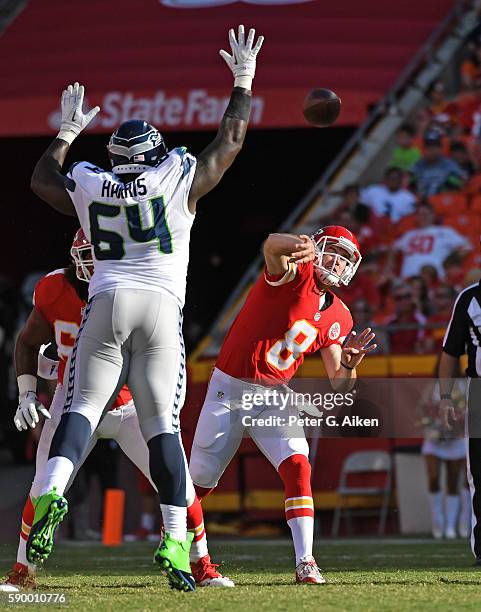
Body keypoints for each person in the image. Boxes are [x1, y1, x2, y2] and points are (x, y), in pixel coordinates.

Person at [25, 24, 263, 592]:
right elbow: (228, 143)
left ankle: (53, 494)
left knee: (80, 409)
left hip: (106, 303)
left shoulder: (90, 182)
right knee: (162, 430)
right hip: (160, 308)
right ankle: (177, 541)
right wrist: (243, 82)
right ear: (155, 154)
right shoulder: (174, 176)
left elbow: (41, 180)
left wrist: (65, 133)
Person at [0, 231, 233, 592]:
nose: (95, 267)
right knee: (41, 486)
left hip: (125, 404)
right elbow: (30, 342)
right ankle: (22, 571)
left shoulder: (127, 288)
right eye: (88, 259)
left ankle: (202, 565)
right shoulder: (55, 290)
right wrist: (28, 393)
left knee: (180, 488)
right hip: (81, 397)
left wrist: (39, 381)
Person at [188, 226, 376, 584]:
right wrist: (298, 243)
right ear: (317, 247)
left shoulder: (341, 316)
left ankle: (306, 561)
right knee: (198, 483)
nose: (336, 262)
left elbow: (340, 381)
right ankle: (188, 554)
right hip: (230, 388)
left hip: (274, 394)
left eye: (345, 258)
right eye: (332, 251)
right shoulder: (294, 272)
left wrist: (351, 366)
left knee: (298, 465)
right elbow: (271, 245)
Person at [387, 202, 472, 280]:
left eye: (425, 214)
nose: (423, 217)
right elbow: (393, 249)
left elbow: (467, 247)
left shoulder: (444, 231)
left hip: (434, 278)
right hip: (408, 279)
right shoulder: (408, 235)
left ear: (433, 215)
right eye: (419, 214)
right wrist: (389, 269)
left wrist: (449, 260)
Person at [410, 130, 467, 197]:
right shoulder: (417, 165)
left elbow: (462, 183)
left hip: (442, 203)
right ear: (424, 149)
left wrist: (449, 185)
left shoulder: (449, 164)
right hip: (421, 204)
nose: (432, 150)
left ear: (440, 148)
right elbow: (407, 185)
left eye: (435, 147)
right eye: (429, 147)